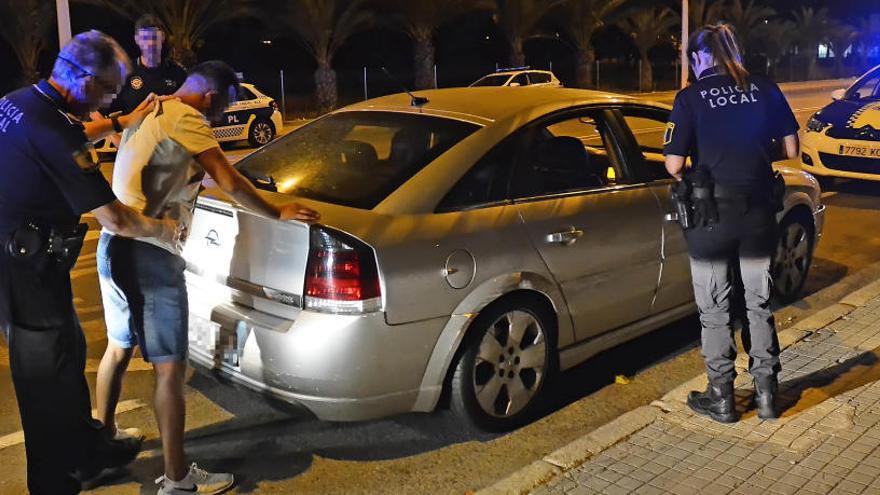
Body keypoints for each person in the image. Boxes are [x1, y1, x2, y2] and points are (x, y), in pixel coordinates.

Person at [94, 60, 320, 495]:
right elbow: (227, 177)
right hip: (151, 255)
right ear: (213, 98)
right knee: (169, 372)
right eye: (224, 107)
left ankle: (100, 443)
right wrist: (278, 211)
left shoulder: (153, 111)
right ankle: (177, 481)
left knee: (118, 348)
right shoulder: (188, 117)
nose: (220, 117)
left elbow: (170, 171)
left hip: (113, 245)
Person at [0, 31, 181, 494]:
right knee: (46, 375)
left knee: (68, 354)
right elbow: (116, 219)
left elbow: (68, 132)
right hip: (27, 272)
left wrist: (119, 122)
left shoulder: (18, 102)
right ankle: (55, 480)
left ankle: (88, 450)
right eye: (106, 91)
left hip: (17, 256)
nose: (107, 101)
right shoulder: (54, 131)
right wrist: (165, 230)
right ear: (81, 79)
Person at [663, 24, 800, 423]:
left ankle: (722, 399)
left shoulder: (690, 98)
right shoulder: (765, 88)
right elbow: (792, 147)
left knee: (715, 310)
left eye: (693, 58)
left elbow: (672, 165)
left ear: (701, 58)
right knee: (758, 304)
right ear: (733, 52)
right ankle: (767, 396)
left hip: (711, 219)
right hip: (758, 213)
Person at [110, 14, 187, 115]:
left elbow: (190, 107)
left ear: (162, 37)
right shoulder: (123, 72)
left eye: (155, 37)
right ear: (137, 40)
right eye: (145, 38)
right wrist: (116, 129)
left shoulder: (178, 73)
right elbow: (96, 111)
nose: (151, 43)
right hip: (134, 130)